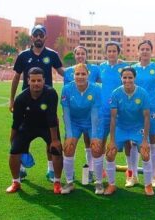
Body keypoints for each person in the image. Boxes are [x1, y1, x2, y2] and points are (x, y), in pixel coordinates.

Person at [9, 24, 64, 182]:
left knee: (51, 138)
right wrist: (12, 99)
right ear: (32, 37)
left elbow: (62, 72)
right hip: (27, 103)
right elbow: (16, 77)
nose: (38, 38)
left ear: (45, 37)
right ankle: (21, 167)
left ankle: (51, 169)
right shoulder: (24, 55)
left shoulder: (52, 55)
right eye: (36, 35)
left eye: (41, 35)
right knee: (21, 136)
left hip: (47, 103)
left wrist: (79, 76)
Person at [6, 67, 63, 194]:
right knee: (14, 151)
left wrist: (54, 140)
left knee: (56, 149)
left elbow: (52, 117)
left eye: (39, 80)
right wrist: (12, 140)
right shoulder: (21, 99)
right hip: (28, 125)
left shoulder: (51, 93)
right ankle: (16, 182)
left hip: (47, 125)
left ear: (44, 81)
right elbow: (16, 122)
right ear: (28, 81)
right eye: (33, 80)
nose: (36, 83)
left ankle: (57, 182)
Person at [104, 67, 153, 196]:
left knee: (145, 153)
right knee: (110, 153)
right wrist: (112, 140)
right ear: (121, 78)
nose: (127, 80)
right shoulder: (116, 93)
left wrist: (144, 140)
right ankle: (111, 184)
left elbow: (147, 117)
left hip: (138, 128)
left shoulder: (143, 93)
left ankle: (148, 185)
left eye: (130, 77)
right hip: (122, 127)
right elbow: (113, 118)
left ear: (134, 78)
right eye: (124, 77)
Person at [129, 40, 155, 188]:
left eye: (147, 49)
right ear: (138, 52)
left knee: (152, 141)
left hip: (152, 109)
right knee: (134, 143)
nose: (145, 51)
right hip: (134, 109)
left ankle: (153, 175)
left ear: (151, 52)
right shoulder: (132, 69)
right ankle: (133, 176)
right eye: (142, 49)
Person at [60, 63, 102, 194]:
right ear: (73, 75)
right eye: (77, 74)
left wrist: (94, 136)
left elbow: (95, 115)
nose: (80, 76)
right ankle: (69, 182)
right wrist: (69, 135)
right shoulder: (66, 89)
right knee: (68, 147)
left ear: (88, 75)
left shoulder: (96, 89)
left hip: (91, 122)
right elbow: (65, 113)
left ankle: (99, 182)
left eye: (83, 74)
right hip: (74, 122)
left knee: (96, 148)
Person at [98, 41, 129, 148]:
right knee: (101, 139)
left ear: (118, 52)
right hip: (104, 108)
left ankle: (131, 165)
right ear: (105, 53)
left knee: (126, 140)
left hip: (121, 108)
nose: (111, 53)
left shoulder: (125, 67)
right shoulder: (101, 67)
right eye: (109, 51)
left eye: (114, 51)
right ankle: (99, 165)